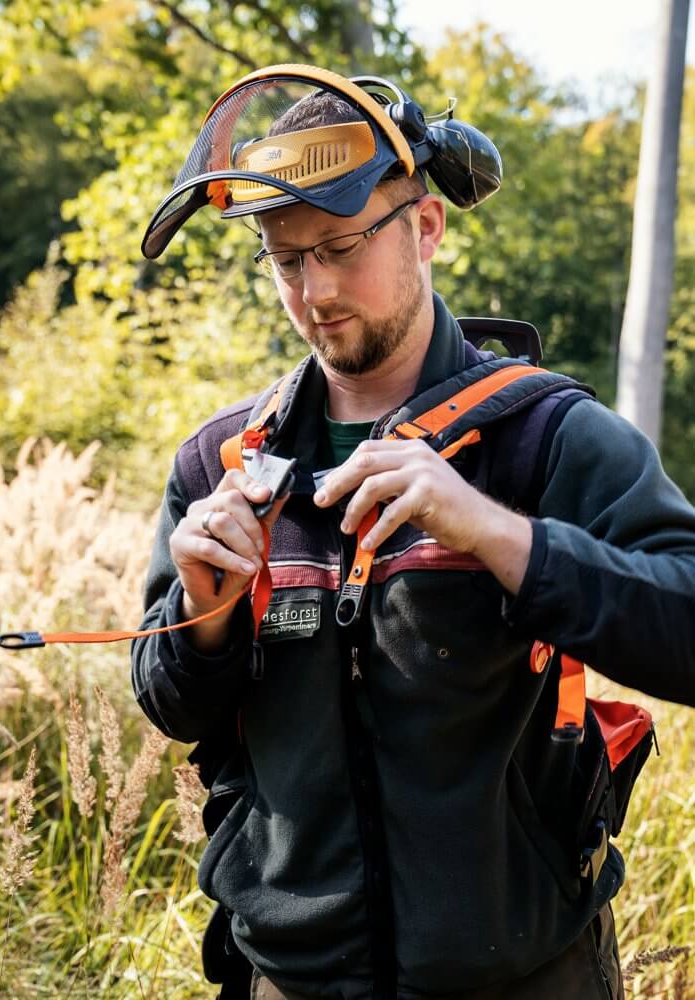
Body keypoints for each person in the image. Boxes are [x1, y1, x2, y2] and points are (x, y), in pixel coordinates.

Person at [132, 65, 695, 999]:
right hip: (289, 977)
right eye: (285, 258)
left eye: (342, 245)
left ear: (426, 227)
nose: (314, 289)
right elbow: (170, 707)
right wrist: (204, 614)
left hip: (525, 972)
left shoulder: (545, 439)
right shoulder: (220, 461)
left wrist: (493, 534)